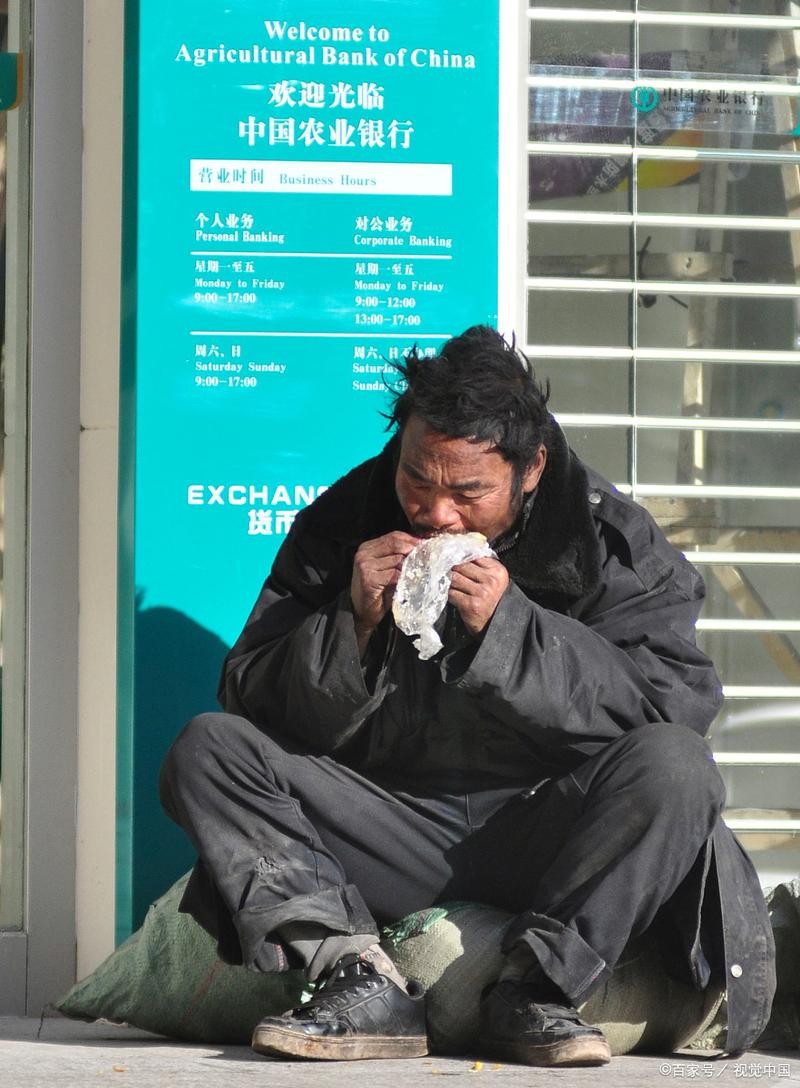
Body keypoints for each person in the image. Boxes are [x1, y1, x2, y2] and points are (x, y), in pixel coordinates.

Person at [160, 325, 775, 1067]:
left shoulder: (614, 544)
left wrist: (512, 632)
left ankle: (540, 987)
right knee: (208, 748)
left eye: (468, 491)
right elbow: (249, 693)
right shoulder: (343, 520)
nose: (437, 513)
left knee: (678, 766)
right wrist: (348, 623)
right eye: (418, 480)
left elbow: (670, 707)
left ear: (531, 469)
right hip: (387, 822)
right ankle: (355, 974)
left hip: (550, 833)